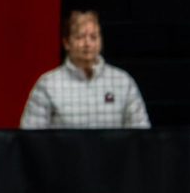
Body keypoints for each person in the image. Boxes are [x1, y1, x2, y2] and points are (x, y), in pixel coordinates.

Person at [20, 10, 151, 129]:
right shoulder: (48, 84)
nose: (87, 44)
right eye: (80, 37)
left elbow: (140, 133)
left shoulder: (123, 82)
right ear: (66, 42)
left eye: (93, 37)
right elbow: (31, 137)